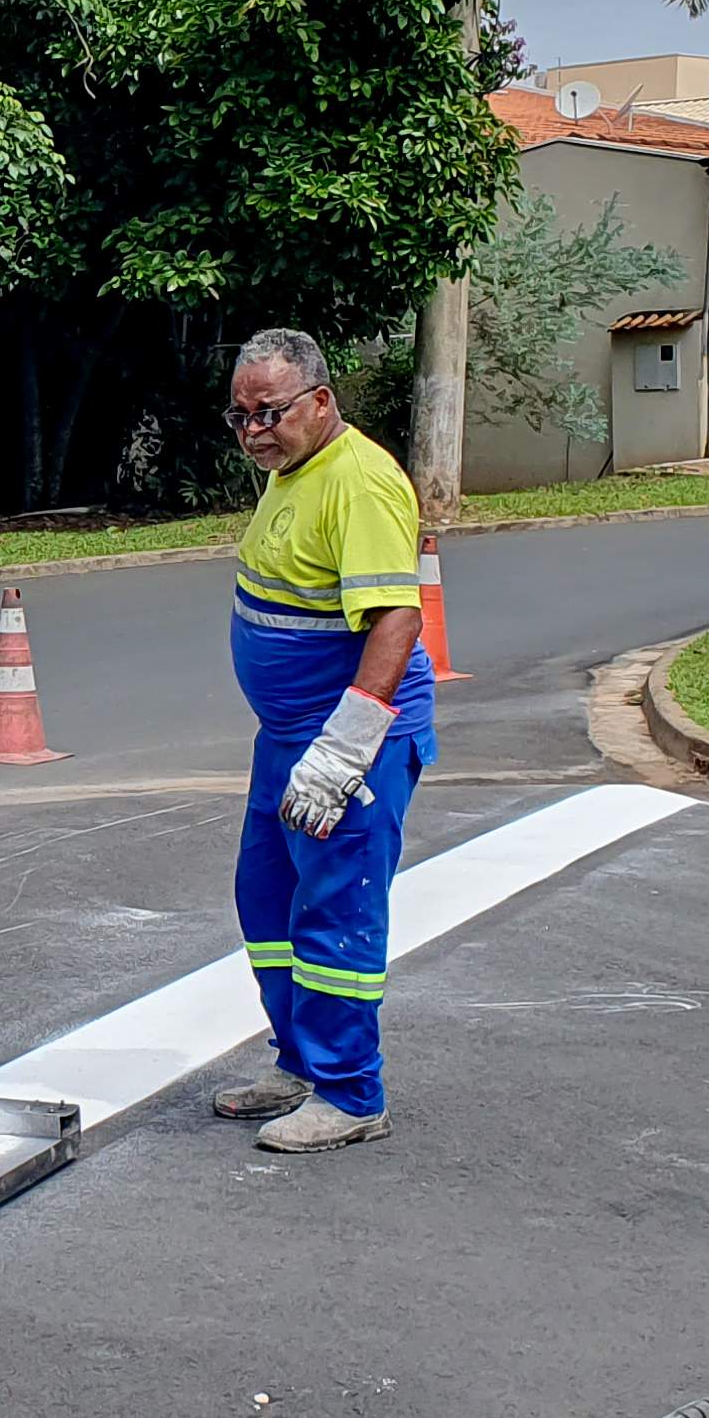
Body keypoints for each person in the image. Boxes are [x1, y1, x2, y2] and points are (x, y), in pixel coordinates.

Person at [200, 329, 434, 1154]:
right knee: (267, 903)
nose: (254, 429)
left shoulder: (360, 482)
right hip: (288, 736)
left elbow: (396, 617)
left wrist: (347, 746)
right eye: (240, 414)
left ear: (322, 401)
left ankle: (349, 1091)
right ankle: (299, 1061)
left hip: (347, 741)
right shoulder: (291, 472)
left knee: (336, 912)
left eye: (270, 410)